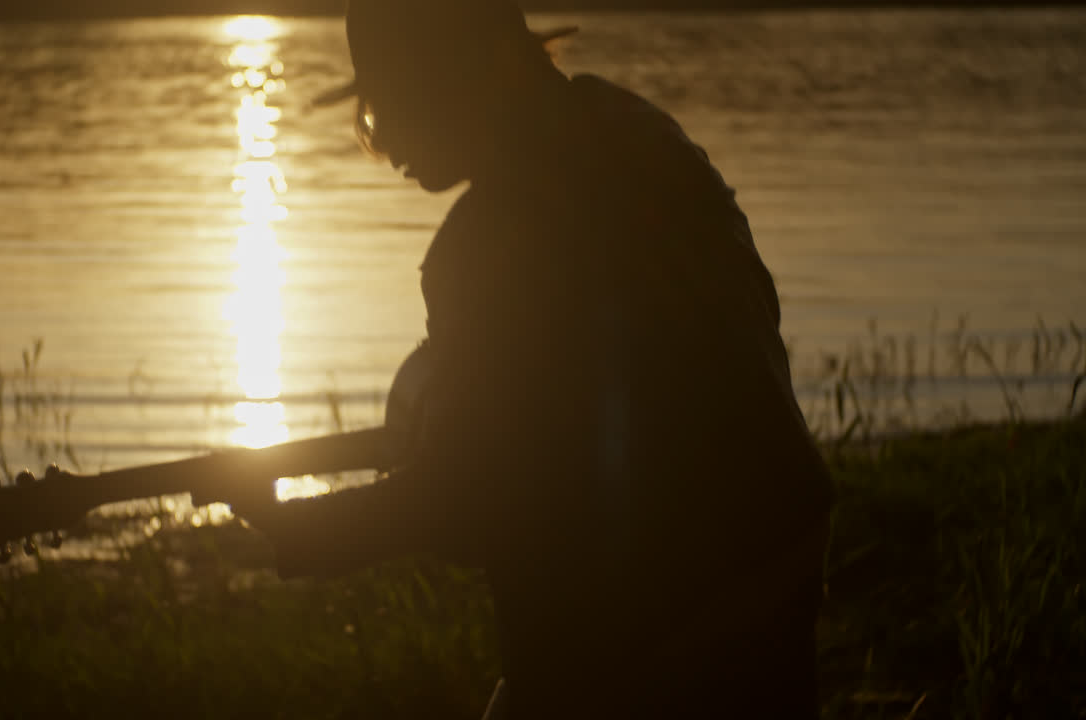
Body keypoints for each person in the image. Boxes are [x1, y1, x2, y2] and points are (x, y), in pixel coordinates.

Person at [232, 1, 834, 717]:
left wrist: (309, 530)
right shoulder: (643, 134)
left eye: (387, 104)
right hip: (774, 566)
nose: (383, 140)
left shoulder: (481, 249)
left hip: (647, 634)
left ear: (451, 78)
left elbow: (470, 501)